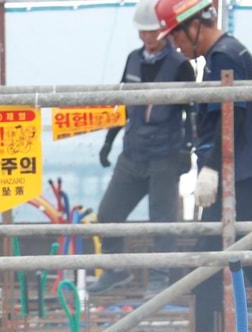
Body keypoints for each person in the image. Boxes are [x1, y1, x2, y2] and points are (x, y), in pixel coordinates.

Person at [156, 0, 252, 332]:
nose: (177, 47)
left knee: (216, 256)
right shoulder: (226, 54)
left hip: (240, 176)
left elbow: (233, 115)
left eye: (177, 37)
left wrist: (212, 168)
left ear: (194, 25)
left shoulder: (224, 57)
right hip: (245, 174)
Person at [86, 0, 195, 296]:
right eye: (144, 32)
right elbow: (123, 103)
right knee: (108, 213)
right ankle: (115, 268)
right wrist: (109, 141)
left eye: (153, 32)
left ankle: (160, 276)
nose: (148, 37)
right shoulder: (133, 59)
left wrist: (188, 148)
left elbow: (191, 110)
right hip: (133, 152)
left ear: (166, 32)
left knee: (163, 221)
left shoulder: (180, 65)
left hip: (165, 154)